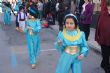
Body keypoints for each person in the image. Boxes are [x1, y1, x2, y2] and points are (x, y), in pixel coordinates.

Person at [24, 4, 41, 69]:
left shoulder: (37, 21)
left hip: (35, 37)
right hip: (29, 37)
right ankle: (33, 62)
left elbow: (39, 28)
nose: (28, 14)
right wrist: (26, 29)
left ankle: (34, 58)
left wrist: (33, 29)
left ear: (33, 15)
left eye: (29, 13)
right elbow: (25, 30)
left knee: (35, 49)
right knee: (31, 49)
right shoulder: (28, 21)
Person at [95, 0, 110, 73]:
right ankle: (106, 68)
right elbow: (98, 27)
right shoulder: (103, 15)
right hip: (104, 40)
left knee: (107, 55)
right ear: (107, 6)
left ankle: (104, 63)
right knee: (106, 55)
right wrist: (97, 38)